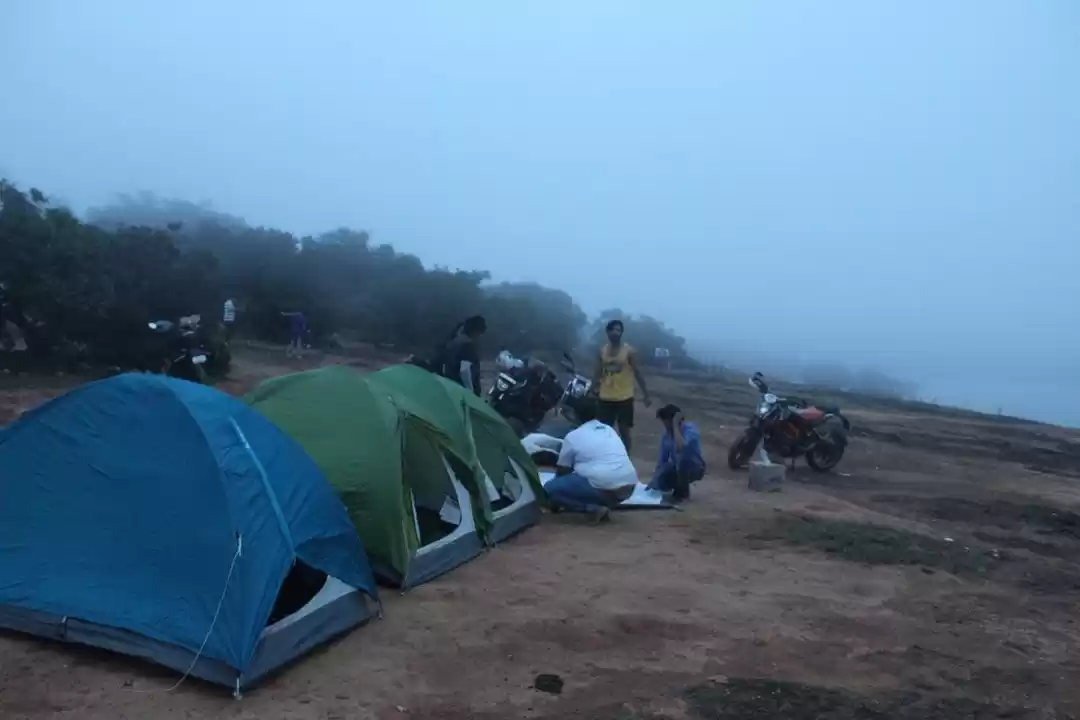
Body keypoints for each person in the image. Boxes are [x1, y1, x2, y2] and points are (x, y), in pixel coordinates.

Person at [545, 399, 638, 522]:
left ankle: (592, 508)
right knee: (589, 478)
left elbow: (562, 472)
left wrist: (553, 501)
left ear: (574, 414)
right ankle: (603, 504)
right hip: (628, 486)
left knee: (549, 489)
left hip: (603, 487)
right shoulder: (609, 430)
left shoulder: (573, 436)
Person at [592, 319, 651, 453]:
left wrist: (646, 394)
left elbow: (637, 372)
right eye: (612, 329)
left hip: (624, 397)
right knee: (603, 432)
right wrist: (591, 390)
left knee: (624, 432)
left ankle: (626, 460)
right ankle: (604, 456)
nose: (615, 333)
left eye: (618, 330)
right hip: (606, 396)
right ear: (607, 332)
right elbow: (597, 373)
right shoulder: (602, 351)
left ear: (622, 333)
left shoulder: (629, 351)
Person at [649, 404, 706, 502]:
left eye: (666, 421)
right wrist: (654, 481)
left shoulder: (690, 429)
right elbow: (662, 460)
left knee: (683, 460)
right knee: (662, 479)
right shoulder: (666, 435)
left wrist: (675, 425)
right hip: (677, 467)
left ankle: (683, 494)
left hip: (695, 467)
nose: (664, 424)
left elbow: (680, 447)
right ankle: (678, 488)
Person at [439, 315, 486, 395]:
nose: (479, 336)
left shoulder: (452, 343)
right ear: (475, 331)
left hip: (450, 387)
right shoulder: (467, 345)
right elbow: (465, 370)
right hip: (462, 391)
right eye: (480, 333)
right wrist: (470, 394)